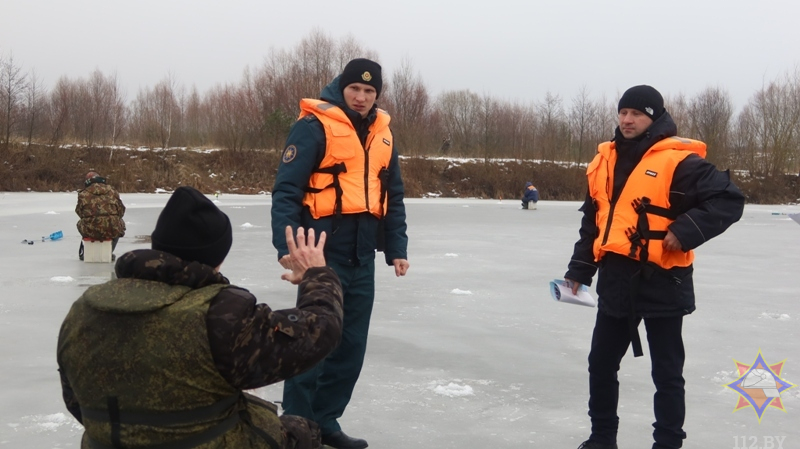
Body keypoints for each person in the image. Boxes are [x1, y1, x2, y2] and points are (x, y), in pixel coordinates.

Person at [57, 186, 344, 449]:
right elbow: (320, 330)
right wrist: (316, 275)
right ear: (215, 258)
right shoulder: (222, 316)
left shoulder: (84, 309)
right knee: (303, 432)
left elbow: (76, 401)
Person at [564, 85, 744, 449]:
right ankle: (602, 438)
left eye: (637, 114)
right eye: (623, 112)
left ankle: (667, 443)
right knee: (600, 364)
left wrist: (685, 230)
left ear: (654, 117)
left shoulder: (680, 161)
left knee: (667, 372)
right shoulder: (605, 161)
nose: (627, 120)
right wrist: (579, 270)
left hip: (663, 280)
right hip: (615, 279)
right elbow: (594, 222)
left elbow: (729, 199)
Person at [271, 58, 410, 449]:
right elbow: (285, 193)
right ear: (342, 88)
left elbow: (392, 196)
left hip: (362, 254)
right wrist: (287, 248)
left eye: (370, 92)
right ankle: (296, 426)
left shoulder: (384, 134)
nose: (362, 97)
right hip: (320, 253)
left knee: (351, 346)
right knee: (312, 341)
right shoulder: (314, 128)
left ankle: (326, 420)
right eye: (355, 90)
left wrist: (396, 248)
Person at [75, 171, 126, 261]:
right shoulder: (113, 191)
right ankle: (109, 251)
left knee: (80, 223)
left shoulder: (83, 194)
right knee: (120, 224)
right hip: (111, 228)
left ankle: (88, 251)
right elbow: (121, 211)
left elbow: (79, 212)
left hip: (90, 229)